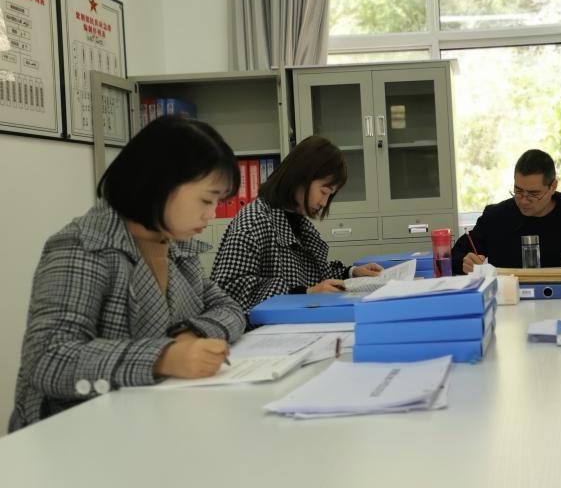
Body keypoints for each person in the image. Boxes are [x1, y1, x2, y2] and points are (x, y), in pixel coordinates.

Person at [9, 116, 247, 432]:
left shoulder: (174, 245)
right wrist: (163, 357)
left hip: (153, 418)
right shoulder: (84, 246)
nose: (211, 213)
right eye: (206, 199)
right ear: (160, 183)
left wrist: (190, 333)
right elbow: (48, 356)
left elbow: (229, 308)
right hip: (74, 431)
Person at [212, 135, 382, 312]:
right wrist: (305, 293)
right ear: (301, 178)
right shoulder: (253, 222)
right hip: (264, 326)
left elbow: (317, 272)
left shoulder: (296, 220)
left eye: (330, 195)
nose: (324, 202)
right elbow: (228, 290)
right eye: (324, 191)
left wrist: (352, 273)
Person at [452, 149, 561, 273]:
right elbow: (456, 254)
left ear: (553, 186)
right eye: (518, 191)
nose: (523, 200)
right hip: (510, 301)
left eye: (533, 194)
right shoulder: (496, 216)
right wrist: (464, 262)